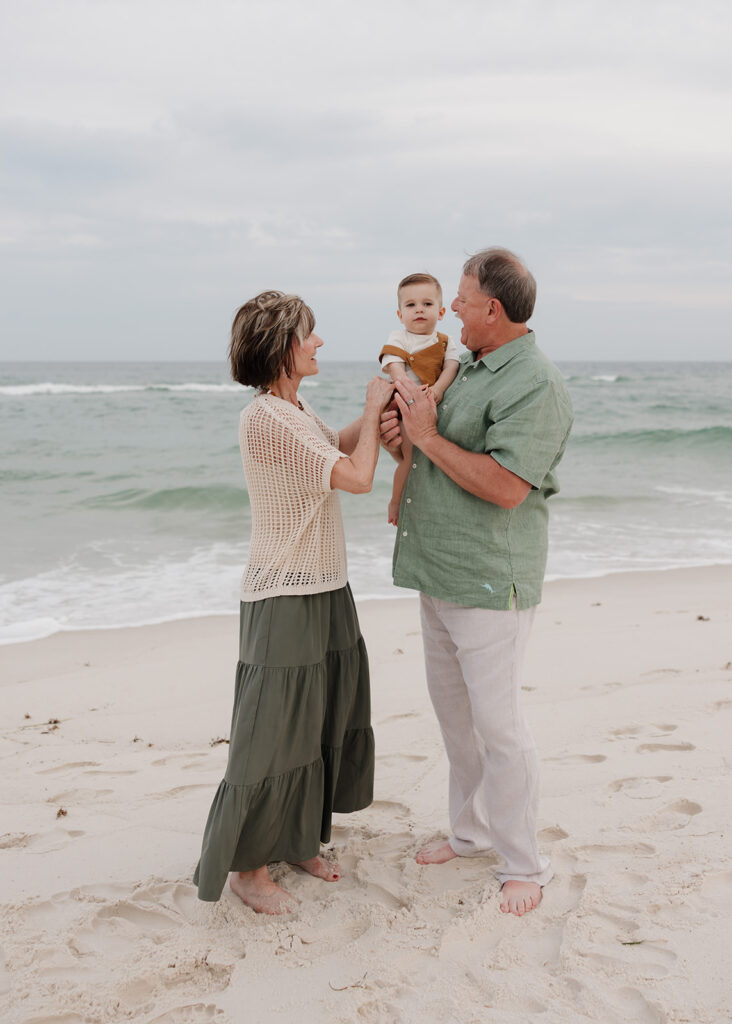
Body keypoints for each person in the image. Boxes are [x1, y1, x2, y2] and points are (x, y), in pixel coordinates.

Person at [381, 248, 573, 917]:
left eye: (462, 299)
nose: (451, 308)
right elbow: (432, 446)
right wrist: (400, 439)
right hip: (438, 567)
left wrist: (428, 441)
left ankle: (524, 863)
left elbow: (507, 486)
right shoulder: (467, 368)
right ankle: (469, 833)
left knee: (499, 728)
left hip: (491, 579)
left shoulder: (535, 383)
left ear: (493, 309)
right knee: (456, 722)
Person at [193, 290, 393, 914]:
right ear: (282, 345)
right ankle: (247, 870)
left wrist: (382, 408)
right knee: (271, 734)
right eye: (309, 333)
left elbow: (339, 446)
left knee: (318, 721)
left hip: (326, 585)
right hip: (284, 593)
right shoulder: (265, 419)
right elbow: (356, 477)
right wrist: (372, 403)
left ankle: (300, 838)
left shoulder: (295, 410)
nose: (319, 342)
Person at [378, 273, 459, 525]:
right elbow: (396, 369)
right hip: (406, 405)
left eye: (427, 304)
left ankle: (432, 503)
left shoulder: (445, 342)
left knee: (434, 456)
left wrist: (438, 390)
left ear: (442, 311)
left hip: (432, 401)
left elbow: (452, 367)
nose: (419, 310)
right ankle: (396, 501)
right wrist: (412, 396)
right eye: (410, 305)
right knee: (409, 457)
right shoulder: (399, 338)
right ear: (400, 315)